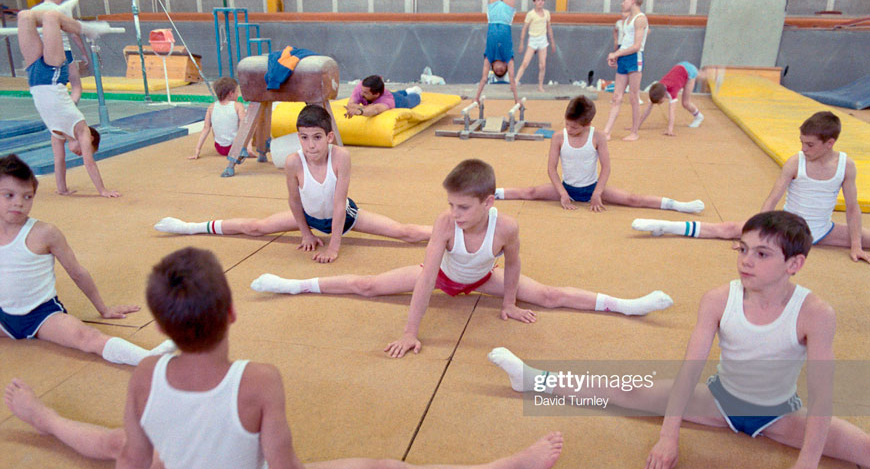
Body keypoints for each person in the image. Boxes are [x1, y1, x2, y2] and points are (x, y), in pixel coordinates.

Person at [2, 246, 565, 469]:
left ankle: (41, 417)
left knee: (112, 444)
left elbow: (130, 461)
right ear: (232, 315)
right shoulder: (257, 381)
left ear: (161, 326)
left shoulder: (146, 375)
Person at [490, 211, 870, 469]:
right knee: (629, 391)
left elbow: (822, 396)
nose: (746, 261)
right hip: (721, 401)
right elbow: (690, 370)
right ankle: (534, 379)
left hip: (780, 415)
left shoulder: (815, 313)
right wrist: (669, 437)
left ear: (795, 264)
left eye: (762, 254)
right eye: (743, 249)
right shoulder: (719, 299)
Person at [251, 159, 675, 358]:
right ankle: (292, 285)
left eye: (464, 208)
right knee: (368, 286)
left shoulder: (506, 227)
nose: (455, 214)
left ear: (489, 202)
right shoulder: (444, 224)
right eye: (451, 205)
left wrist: (508, 303)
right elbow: (426, 276)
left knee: (547, 296)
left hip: (481, 280)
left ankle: (627, 306)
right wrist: (410, 331)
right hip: (441, 278)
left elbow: (515, 266)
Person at [156, 105, 431, 264]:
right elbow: (294, 202)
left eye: (317, 138)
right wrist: (306, 234)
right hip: (308, 216)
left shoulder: (341, 158)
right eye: (304, 137)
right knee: (255, 227)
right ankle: (190, 227)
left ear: (330, 137)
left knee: (404, 233)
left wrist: (334, 245)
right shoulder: (293, 162)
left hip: (345, 217)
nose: (310, 145)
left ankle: (452, 233)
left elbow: (338, 203)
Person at [0, 155, 175, 365]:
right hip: (4, 317)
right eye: (9, 195)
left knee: (86, 337)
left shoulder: (45, 233)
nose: (19, 203)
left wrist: (103, 309)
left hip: (42, 315)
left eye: (27, 197)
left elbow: (77, 272)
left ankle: (147, 359)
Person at [632, 112, 870, 264]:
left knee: (866, 237)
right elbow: (771, 201)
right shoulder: (796, 162)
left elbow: (852, 209)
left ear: (830, 144)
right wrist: (753, 236)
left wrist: (856, 245)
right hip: (787, 228)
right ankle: (664, 226)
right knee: (728, 229)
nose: (804, 149)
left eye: (810, 145)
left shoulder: (846, 166)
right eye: (802, 143)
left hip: (823, 229)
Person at [493, 96, 705, 213]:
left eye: (574, 128)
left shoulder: (598, 136)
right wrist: (562, 193)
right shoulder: (559, 137)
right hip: (567, 188)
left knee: (632, 199)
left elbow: (606, 167)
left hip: (594, 188)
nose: (569, 129)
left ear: (588, 124)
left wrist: (597, 192)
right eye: (567, 124)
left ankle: (678, 205)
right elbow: (551, 169)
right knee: (529, 192)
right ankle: (490, 192)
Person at [15, 7, 118, 197]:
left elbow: (59, 160)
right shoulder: (81, 129)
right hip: (54, 74)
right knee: (51, 16)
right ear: (91, 140)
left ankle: (71, 23)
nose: (79, 154)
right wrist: (102, 190)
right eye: (87, 150)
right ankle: (86, 28)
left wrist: (62, 189)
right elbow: (89, 162)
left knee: (24, 16)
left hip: (34, 75)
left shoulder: (58, 134)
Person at [602, 0, 648, 141]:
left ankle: (634, 132)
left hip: (634, 58)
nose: (622, 3)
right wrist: (616, 57)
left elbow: (636, 46)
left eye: (624, 0)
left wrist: (616, 54)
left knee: (634, 97)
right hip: (624, 57)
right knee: (616, 97)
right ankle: (607, 131)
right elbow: (626, 41)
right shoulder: (627, 19)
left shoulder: (640, 19)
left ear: (633, 1)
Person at [31, 0, 88, 104]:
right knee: (76, 86)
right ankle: (68, 109)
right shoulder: (62, 10)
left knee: (49, 87)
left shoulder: (34, 10)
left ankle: (62, 109)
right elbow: (74, 34)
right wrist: (84, 53)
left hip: (44, 53)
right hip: (63, 51)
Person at [189, 77, 255, 160]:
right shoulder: (238, 106)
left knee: (216, 123)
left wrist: (197, 150)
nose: (238, 94)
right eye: (237, 91)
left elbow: (206, 129)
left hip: (219, 148)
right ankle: (248, 147)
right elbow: (245, 127)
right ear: (231, 93)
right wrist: (248, 146)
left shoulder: (211, 107)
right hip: (235, 148)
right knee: (248, 121)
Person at [637, 62, 706, 136]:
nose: (658, 104)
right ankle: (706, 74)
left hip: (690, 72)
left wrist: (670, 129)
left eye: (659, 102)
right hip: (681, 66)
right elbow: (647, 110)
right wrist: (637, 126)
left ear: (663, 96)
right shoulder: (657, 89)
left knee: (685, 103)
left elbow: (672, 112)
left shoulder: (672, 92)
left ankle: (699, 117)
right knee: (701, 76)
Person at [473, 0, 520, 105]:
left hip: (493, 17)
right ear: (505, 65)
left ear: (492, 67)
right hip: (506, 17)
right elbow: (512, 79)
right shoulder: (508, 56)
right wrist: (517, 99)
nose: (499, 69)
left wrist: (476, 97)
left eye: (497, 71)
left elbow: (484, 78)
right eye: (502, 71)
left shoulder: (489, 56)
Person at [514, 0, 556, 92]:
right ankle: (515, 82)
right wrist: (521, 43)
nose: (540, 2)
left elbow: (549, 28)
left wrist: (552, 42)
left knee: (542, 65)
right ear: (534, 2)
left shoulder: (547, 13)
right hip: (533, 40)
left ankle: (540, 86)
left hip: (543, 40)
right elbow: (524, 28)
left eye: (542, 0)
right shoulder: (531, 14)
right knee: (525, 63)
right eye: (538, 0)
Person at [343, 75, 422, 118]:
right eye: (362, 90)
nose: (361, 94)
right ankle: (406, 91)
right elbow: (350, 104)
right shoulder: (362, 86)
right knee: (395, 93)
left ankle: (414, 92)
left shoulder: (386, 102)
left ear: (376, 94)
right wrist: (365, 107)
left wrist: (360, 111)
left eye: (365, 93)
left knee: (411, 100)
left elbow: (375, 109)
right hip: (387, 94)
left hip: (398, 101)